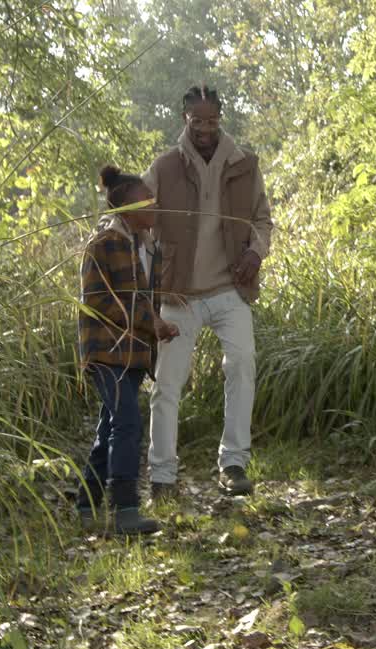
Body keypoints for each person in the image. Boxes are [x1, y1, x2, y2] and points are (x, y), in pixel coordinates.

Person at [142, 85, 274, 498]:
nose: (204, 128)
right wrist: (149, 279)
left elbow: (263, 222)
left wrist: (256, 253)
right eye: (196, 121)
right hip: (179, 295)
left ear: (221, 119)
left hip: (229, 289)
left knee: (242, 362)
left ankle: (234, 463)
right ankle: (162, 475)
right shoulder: (163, 168)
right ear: (184, 119)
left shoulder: (244, 165)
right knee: (167, 385)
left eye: (212, 120)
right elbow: (136, 221)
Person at [76, 165, 180, 535]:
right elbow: (105, 301)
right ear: (125, 211)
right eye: (147, 201)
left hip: (132, 353)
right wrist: (152, 323)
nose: (155, 206)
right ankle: (125, 508)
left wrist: (156, 324)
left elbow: (141, 299)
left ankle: (85, 503)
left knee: (110, 425)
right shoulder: (108, 242)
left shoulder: (145, 246)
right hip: (106, 352)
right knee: (128, 422)